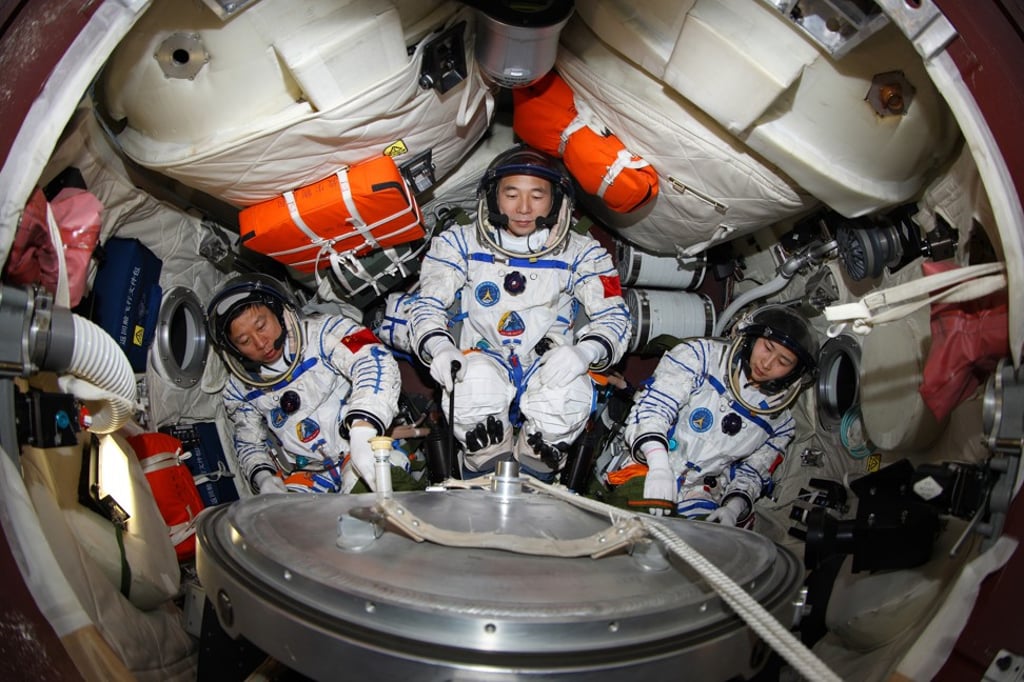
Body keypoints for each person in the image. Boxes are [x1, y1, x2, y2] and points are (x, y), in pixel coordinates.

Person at [404, 145, 631, 481]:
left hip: (548, 361)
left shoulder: (583, 252)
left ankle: (537, 470)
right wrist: (439, 347)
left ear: (555, 200)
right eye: (511, 195)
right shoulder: (459, 243)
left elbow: (615, 315)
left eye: (537, 196)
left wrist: (585, 352)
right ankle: (481, 467)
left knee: (568, 394)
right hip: (482, 354)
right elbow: (427, 304)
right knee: (472, 385)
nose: (523, 208)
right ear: (493, 197)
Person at [605, 304, 818, 525]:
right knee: (634, 524)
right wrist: (658, 464)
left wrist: (735, 507)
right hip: (649, 463)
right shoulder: (701, 356)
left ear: (795, 372)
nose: (767, 363)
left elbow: (754, 473)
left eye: (783, 362)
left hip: (700, 491)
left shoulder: (780, 423)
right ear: (753, 339)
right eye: (767, 347)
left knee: (708, 540)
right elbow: (655, 408)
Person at [206, 274, 407, 495]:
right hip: (310, 473)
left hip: (359, 447)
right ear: (234, 349)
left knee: (368, 491)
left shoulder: (325, 333)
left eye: (261, 326)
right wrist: (263, 477)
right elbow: (248, 441)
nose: (260, 343)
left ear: (279, 312)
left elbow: (374, 359)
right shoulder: (241, 388)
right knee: (283, 513)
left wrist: (363, 429)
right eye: (244, 341)